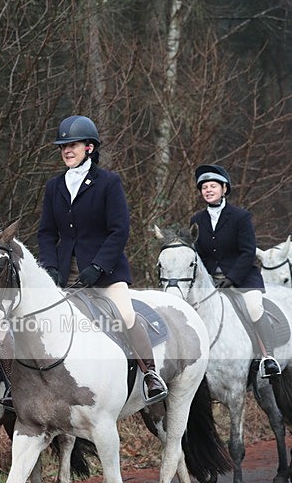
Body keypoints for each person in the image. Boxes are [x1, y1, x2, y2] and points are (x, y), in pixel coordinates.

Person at [37, 115, 168, 404]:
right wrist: (49, 268)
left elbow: (119, 230)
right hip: (64, 273)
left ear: (90, 147)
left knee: (125, 314)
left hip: (105, 272)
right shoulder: (54, 186)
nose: (66, 150)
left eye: (72, 145)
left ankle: (150, 374)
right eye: (63, 146)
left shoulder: (108, 182)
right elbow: (46, 232)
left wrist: (98, 266)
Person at [190, 163, 281, 378]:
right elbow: (198, 254)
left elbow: (248, 252)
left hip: (242, 278)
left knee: (253, 307)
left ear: (224, 189)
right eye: (204, 187)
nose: (208, 190)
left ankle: (268, 357)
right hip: (211, 281)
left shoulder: (241, 217)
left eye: (213, 186)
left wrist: (232, 278)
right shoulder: (197, 220)